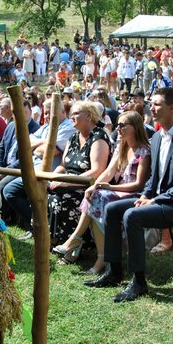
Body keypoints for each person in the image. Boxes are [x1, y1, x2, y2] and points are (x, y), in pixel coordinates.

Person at [84, 88, 173, 303]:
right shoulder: (156, 137)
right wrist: (148, 194)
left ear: (172, 108)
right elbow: (153, 180)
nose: (152, 108)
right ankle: (114, 271)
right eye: (152, 104)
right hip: (158, 200)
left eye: (157, 104)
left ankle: (139, 282)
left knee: (132, 215)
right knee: (112, 209)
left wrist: (155, 199)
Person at [53, 110, 150, 274]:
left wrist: (109, 187)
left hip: (132, 193)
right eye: (117, 124)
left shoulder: (144, 151)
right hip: (118, 192)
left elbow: (138, 184)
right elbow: (109, 172)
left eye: (122, 125)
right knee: (94, 197)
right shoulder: (121, 148)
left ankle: (78, 241)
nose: (117, 128)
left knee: (97, 199)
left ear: (134, 127)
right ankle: (97, 257)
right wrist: (95, 185)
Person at [3, 99, 76, 229]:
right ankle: (36, 225)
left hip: (49, 174)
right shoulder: (46, 127)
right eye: (45, 113)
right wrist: (45, 142)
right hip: (34, 170)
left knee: (10, 190)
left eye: (50, 113)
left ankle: (40, 226)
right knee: (7, 188)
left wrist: (40, 146)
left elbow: (51, 150)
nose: (47, 117)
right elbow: (27, 142)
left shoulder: (68, 128)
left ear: (63, 112)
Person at [47, 101, 111, 244]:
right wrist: (54, 177)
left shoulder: (98, 137)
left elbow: (97, 170)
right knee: (44, 192)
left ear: (88, 116)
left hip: (87, 186)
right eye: (70, 115)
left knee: (61, 199)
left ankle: (73, 244)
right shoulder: (74, 137)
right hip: (67, 181)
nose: (71, 117)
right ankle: (49, 238)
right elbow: (63, 165)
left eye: (75, 113)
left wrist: (66, 181)